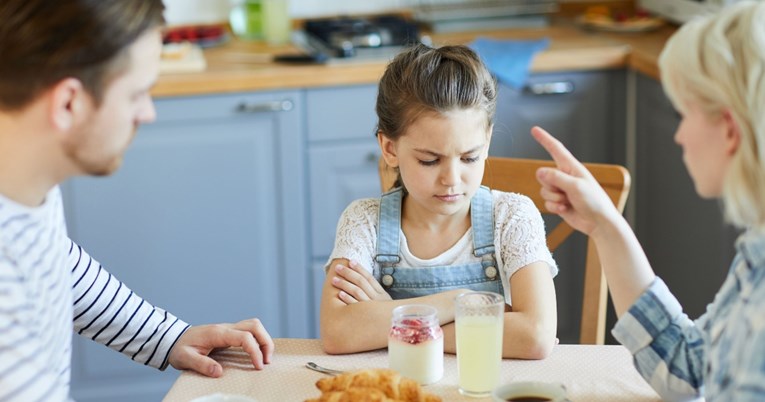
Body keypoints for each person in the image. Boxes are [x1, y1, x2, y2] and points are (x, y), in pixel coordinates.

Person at [0, 1, 274, 401]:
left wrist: (167, 336)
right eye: (137, 94)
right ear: (68, 104)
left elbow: (58, 263)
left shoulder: (22, 180)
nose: (148, 114)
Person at [531, 2, 765, 400]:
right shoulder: (755, 256)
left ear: (728, 128)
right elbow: (687, 369)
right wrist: (604, 225)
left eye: (684, 113)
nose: (680, 135)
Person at [319, 44, 558, 358]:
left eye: (470, 157)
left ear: (486, 141)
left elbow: (535, 336)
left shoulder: (512, 216)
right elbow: (338, 333)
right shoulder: (364, 222)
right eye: (430, 161)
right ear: (390, 149)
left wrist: (396, 319)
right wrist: (459, 301)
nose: (452, 179)